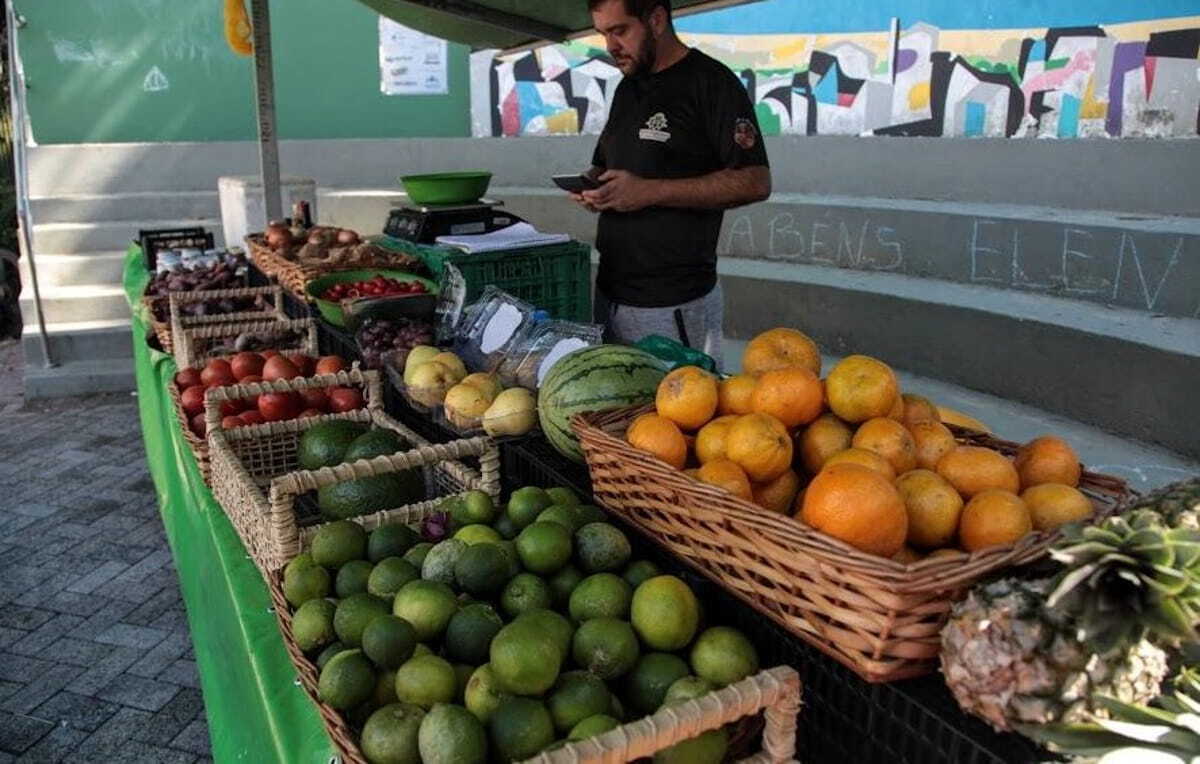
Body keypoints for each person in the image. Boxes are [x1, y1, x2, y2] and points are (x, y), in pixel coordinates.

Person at [571, 0, 771, 367]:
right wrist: (595, 188)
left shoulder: (712, 83)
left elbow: (755, 181)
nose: (611, 46)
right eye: (603, 34)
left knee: (683, 404)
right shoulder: (628, 88)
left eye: (620, 31)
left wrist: (648, 192)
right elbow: (606, 164)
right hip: (610, 292)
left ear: (657, 20)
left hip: (674, 304)